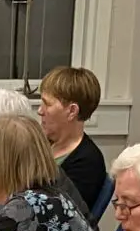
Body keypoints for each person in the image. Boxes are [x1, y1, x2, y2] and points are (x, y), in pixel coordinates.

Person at [37, 65, 106, 214]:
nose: (40, 111)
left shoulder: (88, 162)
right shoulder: (42, 144)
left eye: (47, 104)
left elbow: (60, 215)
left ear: (72, 111)